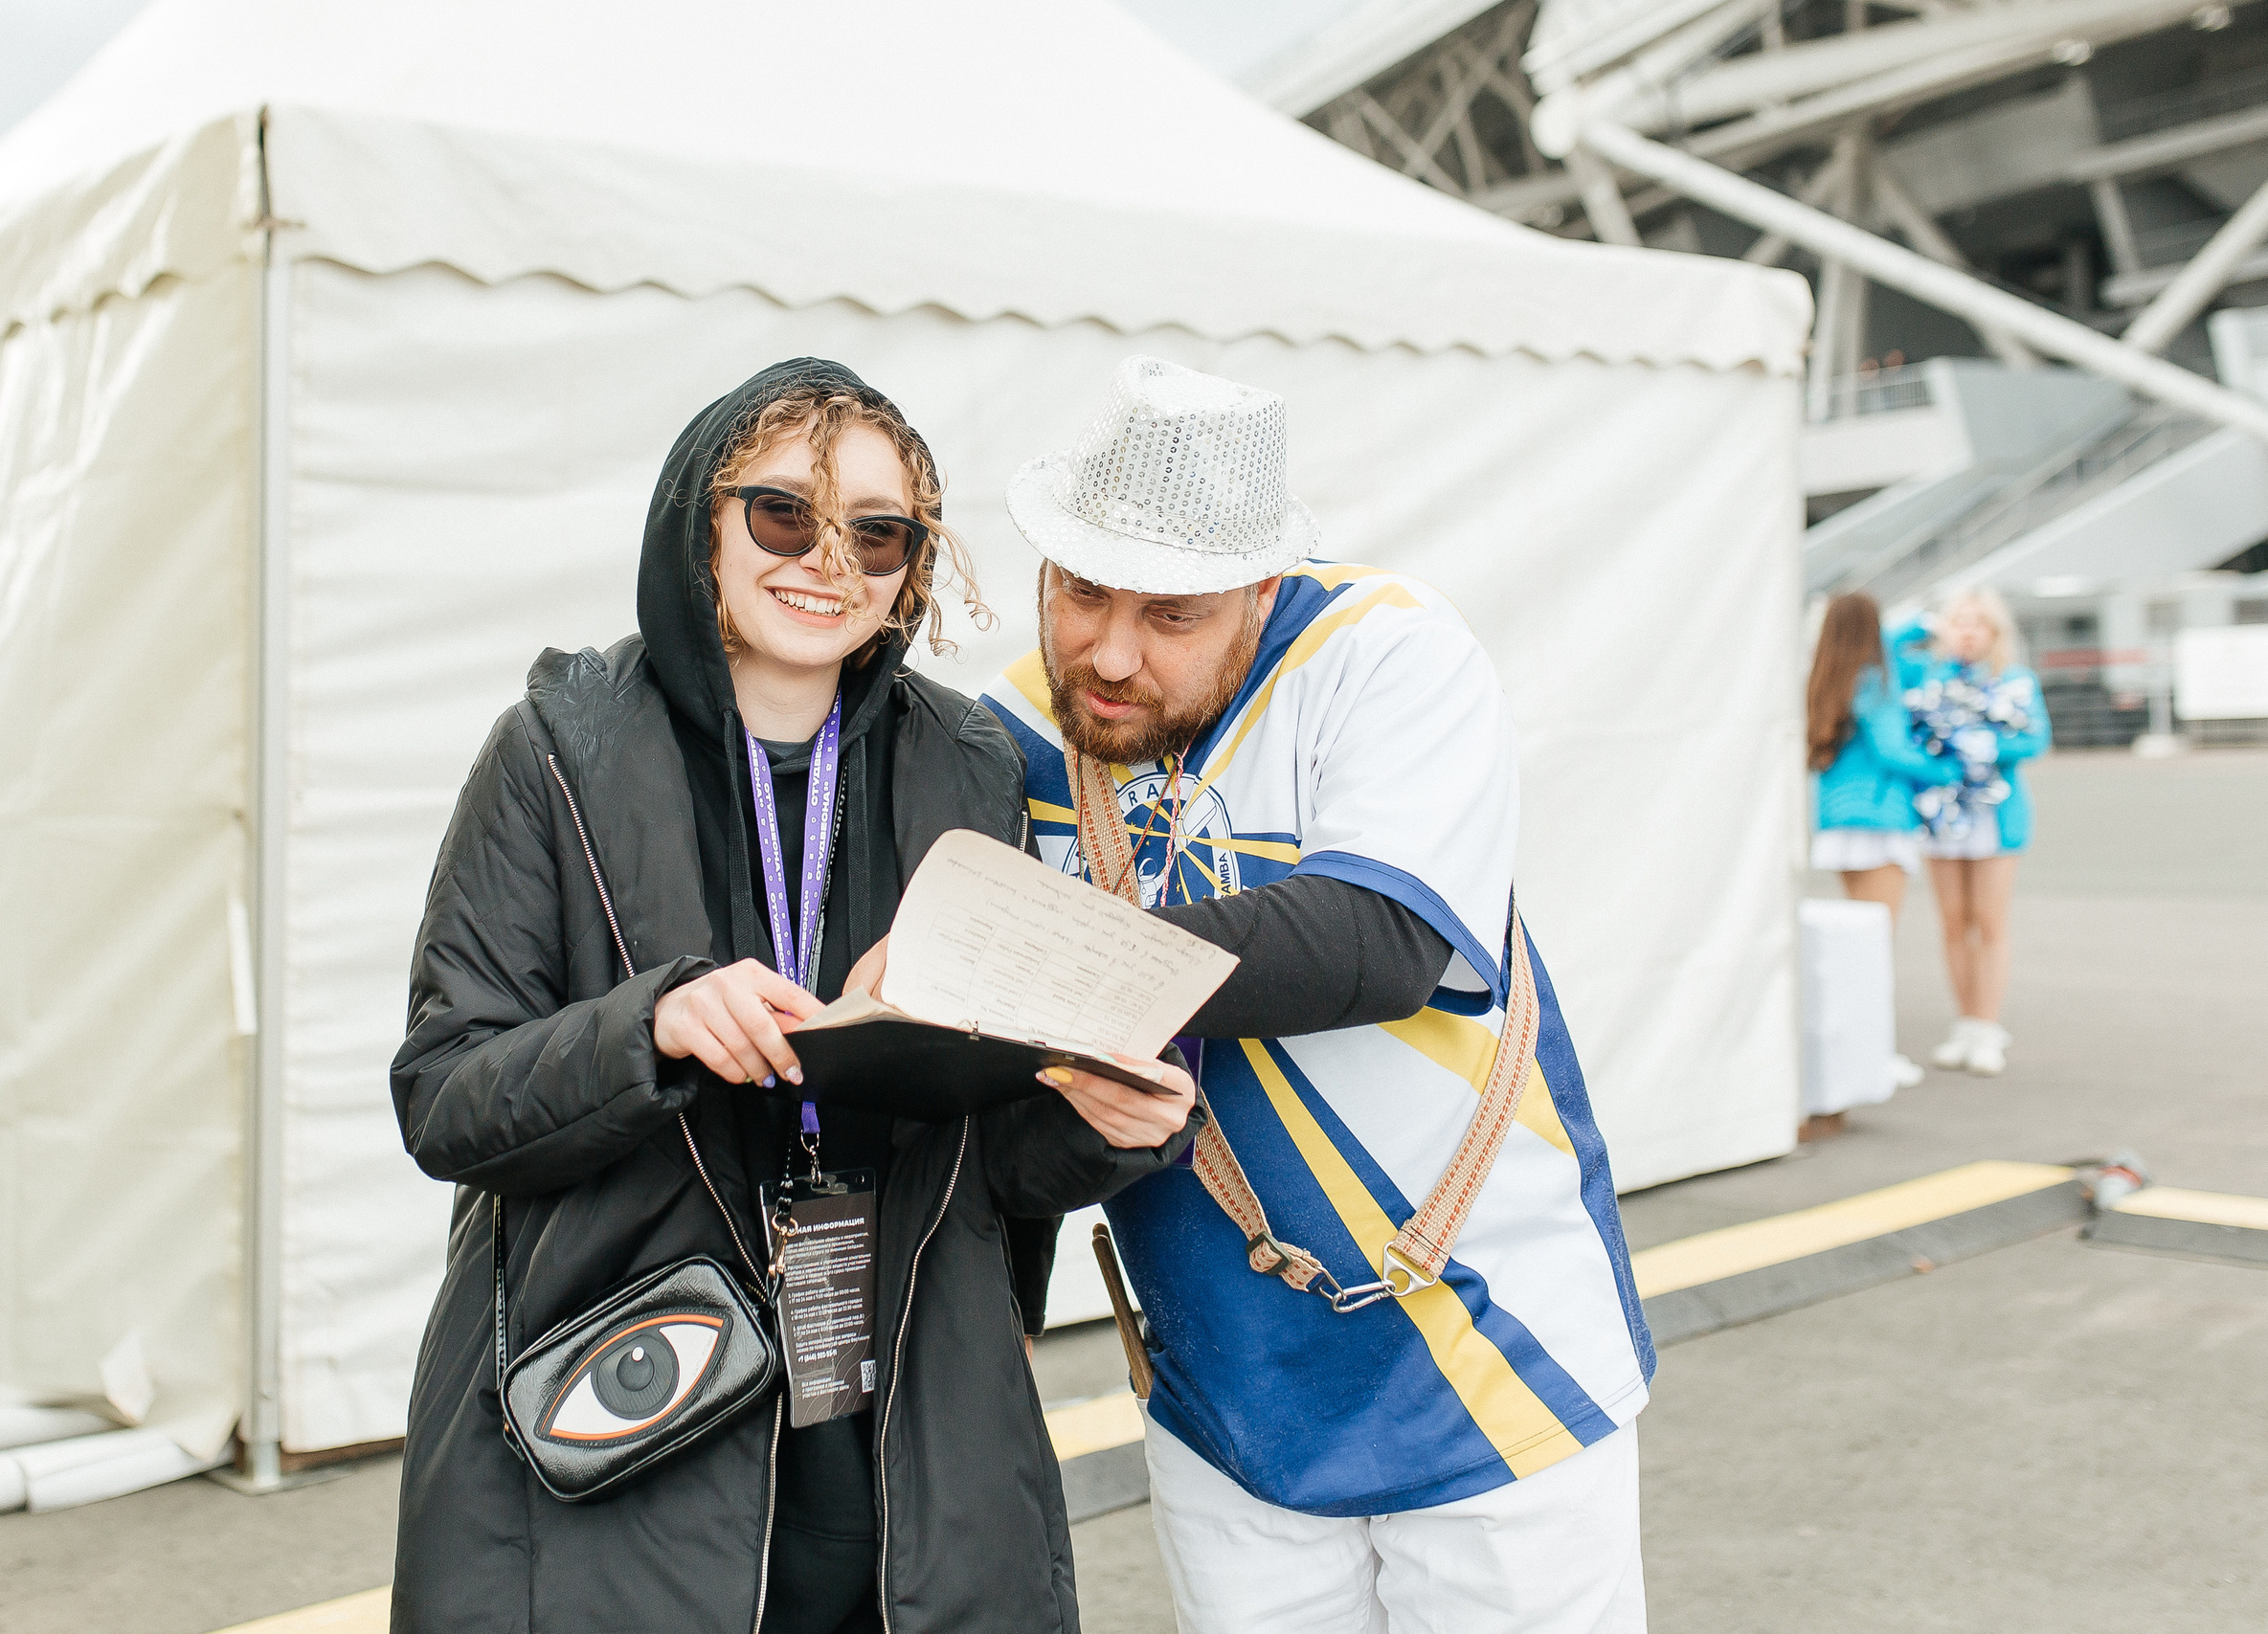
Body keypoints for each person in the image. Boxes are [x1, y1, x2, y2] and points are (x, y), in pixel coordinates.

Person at [388, 358, 1194, 1634]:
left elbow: (985, 1153)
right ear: (698, 518)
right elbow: (443, 1098)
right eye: (782, 514)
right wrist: (646, 1024)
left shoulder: (971, 764)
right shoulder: (556, 748)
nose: (830, 560)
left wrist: (1107, 1122)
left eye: (877, 533)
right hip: (630, 1423)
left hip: (904, 1419)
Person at [983, 357, 1653, 1632]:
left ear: (1263, 587)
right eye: (1081, 592)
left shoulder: (1383, 651)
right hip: (1226, 1395)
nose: (1110, 651)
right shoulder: (1009, 735)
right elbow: (990, 1074)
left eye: (1173, 612)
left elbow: (1377, 936)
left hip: (1493, 1361)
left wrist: (1056, 960)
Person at [1805, 592, 1961, 1091]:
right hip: (1880, 818)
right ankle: (1874, 1055)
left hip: (1838, 820)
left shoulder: (1830, 673)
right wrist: (1952, 769)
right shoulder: (1874, 680)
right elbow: (1894, 750)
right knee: (1874, 948)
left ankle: (1865, 1052)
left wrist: (1916, 626)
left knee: (1860, 941)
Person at [1896, 587, 2052, 1078]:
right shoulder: (1925, 676)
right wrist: (1925, 624)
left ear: (1995, 632)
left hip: (1994, 815)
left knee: (1989, 922)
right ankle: (1964, 1021)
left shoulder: (2014, 680)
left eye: (1978, 622)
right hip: (1941, 814)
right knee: (1952, 922)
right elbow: (1882, 648)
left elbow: (2035, 738)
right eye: (1959, 622)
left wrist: (1981, 746)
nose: (1968, 632)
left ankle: (1987, 1027)